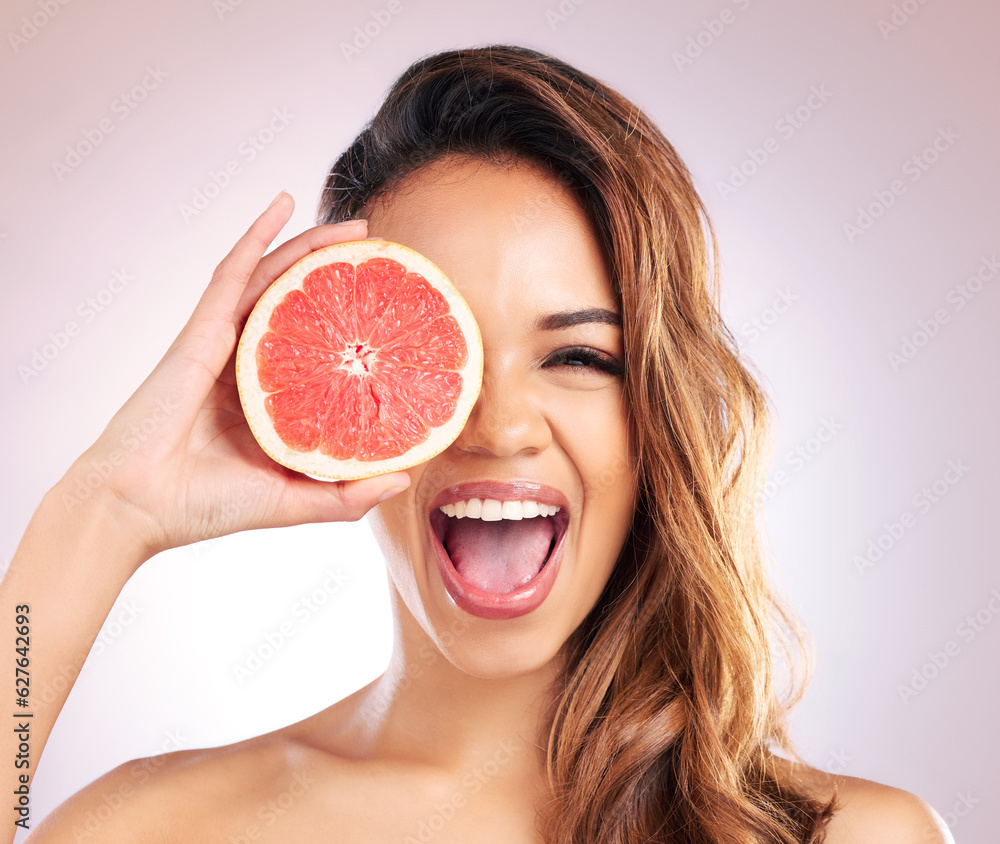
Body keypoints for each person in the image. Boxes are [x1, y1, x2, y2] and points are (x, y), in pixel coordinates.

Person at [6, 45, 950, 843]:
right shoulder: (155, 826)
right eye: (436, 355)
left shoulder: (847, 836)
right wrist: (106, 510)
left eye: (579, 356)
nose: (497, 425)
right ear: (343, 393)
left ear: (660, 413)